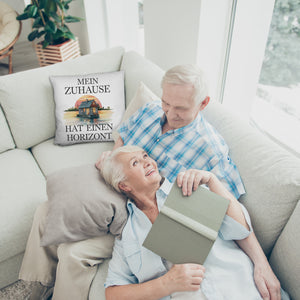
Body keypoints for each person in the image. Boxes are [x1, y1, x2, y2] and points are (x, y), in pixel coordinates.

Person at [19, 65, 280, 299]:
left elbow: (229, 212)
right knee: (49, 208)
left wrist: (261, 263)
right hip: (120, 184)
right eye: (167, 102)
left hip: (143, 212)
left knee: (74, 253)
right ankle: (36, 284)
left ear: (203, 104)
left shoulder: (211, 151)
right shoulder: (151, 110)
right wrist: (113, 158)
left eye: (180, 108)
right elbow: (123, 138)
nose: (169, 112)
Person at [100, 145, 288, 300]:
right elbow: (113, 293)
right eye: (136, 162)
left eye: (145, 156)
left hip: (243, 290)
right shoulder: (128, 236)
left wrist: (212, 181)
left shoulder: (189, 188)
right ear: (124, 185)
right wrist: (166, 283)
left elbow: (240, 229)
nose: (148, 162)